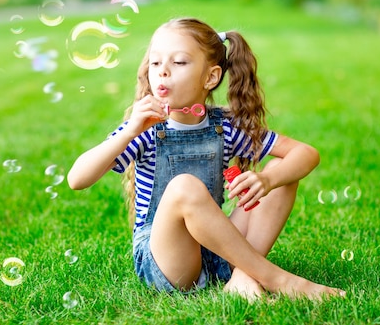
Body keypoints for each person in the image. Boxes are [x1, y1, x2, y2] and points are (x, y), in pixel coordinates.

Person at [67, 17, 346, 301]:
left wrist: (267, 178)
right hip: (167, 260)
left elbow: (306, 154)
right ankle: (274, 278)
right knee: (183, 186)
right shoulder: (144, 129)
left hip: (215, 251)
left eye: (179, 63)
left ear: (210, 77)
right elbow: (77, 179)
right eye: (155, 63)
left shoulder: (225, 126)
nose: (163, 71)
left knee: (281, 171)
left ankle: (242, 277)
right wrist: (129, 131)